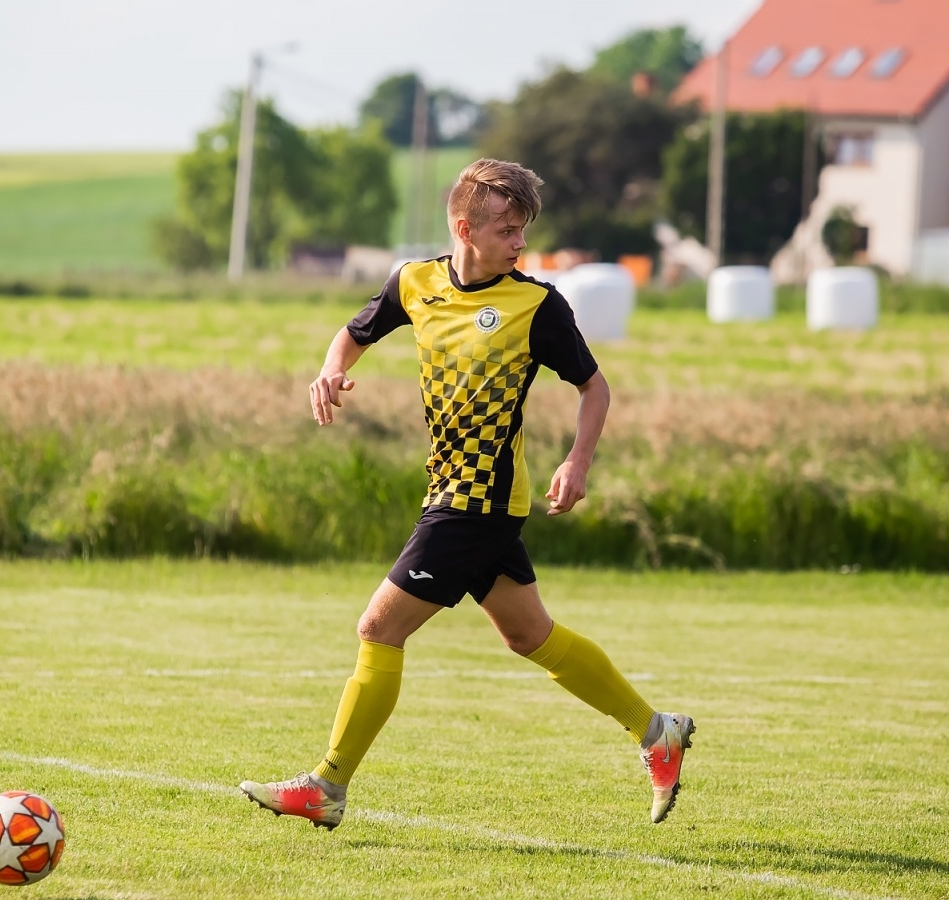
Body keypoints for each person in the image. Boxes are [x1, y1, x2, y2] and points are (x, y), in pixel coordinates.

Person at [239, 158, 694, 829]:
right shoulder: (414, 282)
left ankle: (328, 787)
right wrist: (330, 371)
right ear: (465, 227)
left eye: (524, 232)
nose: (521, 244)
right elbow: (355, 332)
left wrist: (578, 460)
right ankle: (657, 732)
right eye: (509, 230)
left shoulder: (537, 306)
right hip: (449, 492)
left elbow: (593, 387)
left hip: (477, 502)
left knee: (378, 627)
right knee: (528, 634)